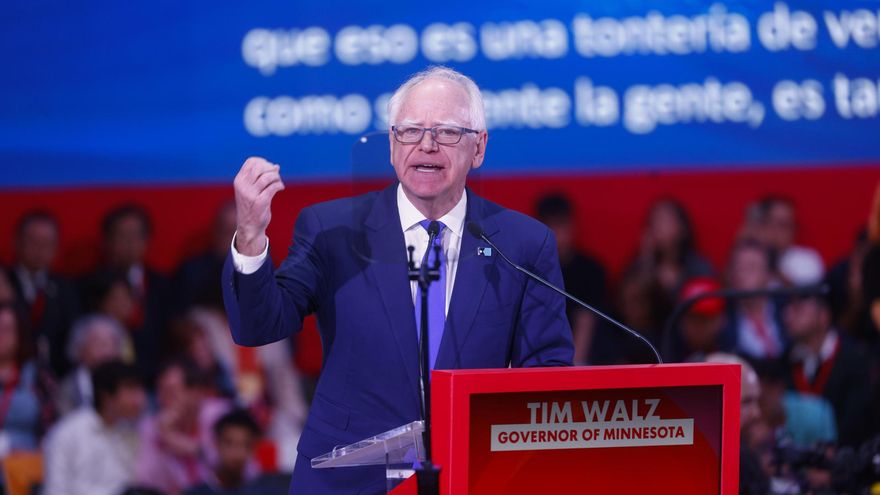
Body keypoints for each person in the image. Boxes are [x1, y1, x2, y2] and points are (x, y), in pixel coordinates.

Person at [222, 66, 573, 493]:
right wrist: (251, 237)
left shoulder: (522, 244)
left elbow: (547, 375)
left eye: (446, 132)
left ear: (478, 147)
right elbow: (259, 325)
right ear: (392, 144)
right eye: (410, 131)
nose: (426, 145)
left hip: (473, 476)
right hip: (349, 479)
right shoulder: (332, 230)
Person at [43, 360, 146, 495]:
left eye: (140, 390)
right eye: (131, 390)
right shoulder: (68, 433)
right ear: (107, 396)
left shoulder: (132, 433)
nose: (139, 399)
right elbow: (55, 490)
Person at [783, 293, 872, 447]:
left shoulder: (854, 359)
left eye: (798, 309)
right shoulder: (785, 361)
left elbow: (858, 419)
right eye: (787, 308)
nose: (787, 316)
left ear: (823, 316)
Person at [136, 359, 233, 495]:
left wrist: (197, 451)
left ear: (196, 392)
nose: (163, 399)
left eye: (171, 391)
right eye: (160, 391)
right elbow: (147, 483)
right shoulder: (152, 427)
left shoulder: (220, 415)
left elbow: (238, 467)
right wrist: (163, 436)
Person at [534, 193, 609, 365]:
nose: (555, 234)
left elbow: (586, 321)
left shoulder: (590, 270)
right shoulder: (528, 270)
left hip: (584, 364)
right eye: (549, 226)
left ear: (572, 227)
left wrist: (572, 369)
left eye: (560, 225)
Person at [9, 210, 80, 377]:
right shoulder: (5, 283)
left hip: (57, 376)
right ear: (17, 242)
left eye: (47, 243)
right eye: (33, 242)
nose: (40, 249)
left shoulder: (67, 289)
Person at [185, 409, 289, 495]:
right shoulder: (196, 493)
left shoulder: (263, 490)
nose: (237, 453)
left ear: (252, 450)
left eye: (244, 445)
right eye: (229, 443)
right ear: (216, 445)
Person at [723, 240, 788, 360]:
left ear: (769, 274)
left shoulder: (786, 308)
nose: (742, 274)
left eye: (751, 267)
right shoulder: (723, 317)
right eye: (738, 267)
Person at [56, 314, 126, 414]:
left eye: (112, 344)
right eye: (99, 344)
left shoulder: (126, 385)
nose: (107, 352)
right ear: (79, 349)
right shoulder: (67, 388)